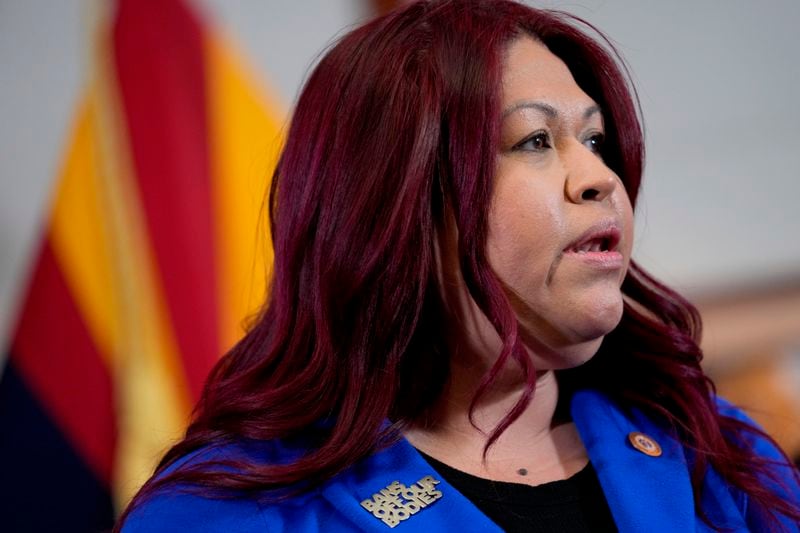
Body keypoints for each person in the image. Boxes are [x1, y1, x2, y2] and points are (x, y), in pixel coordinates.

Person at [119, 1, 800, 531]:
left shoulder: (721, 455)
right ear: (392, 201)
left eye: (594, 139)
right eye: (535, 140)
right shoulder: (226, 514)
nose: (599, 176)